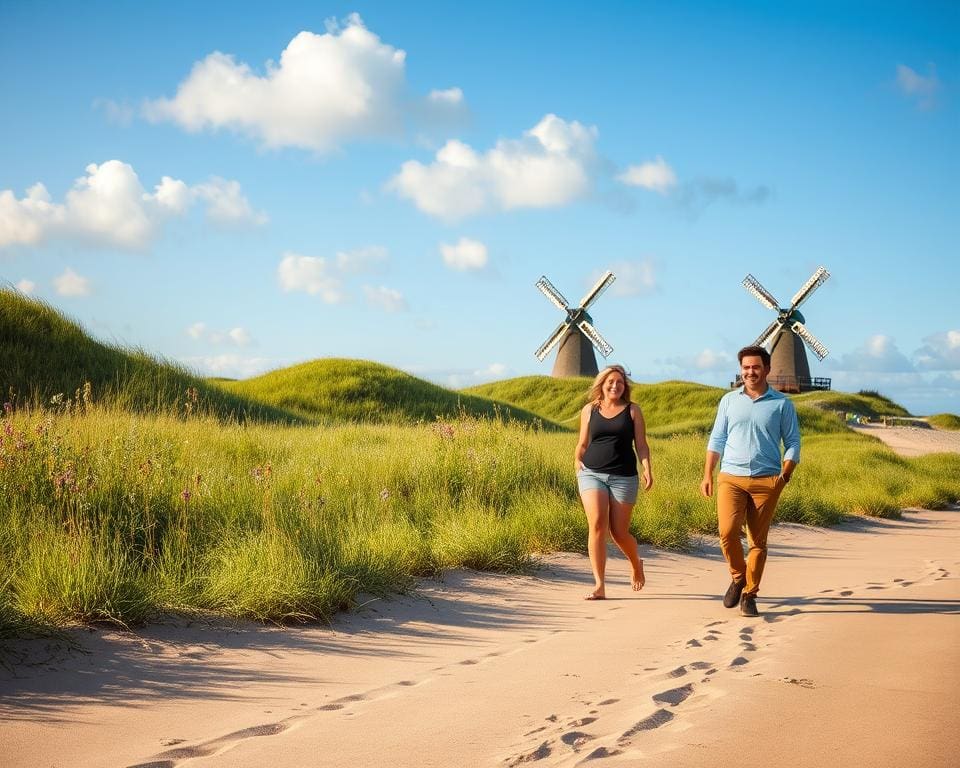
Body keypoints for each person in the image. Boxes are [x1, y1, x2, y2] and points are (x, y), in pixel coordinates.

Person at [700, 345, 801, 617]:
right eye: (746, 368)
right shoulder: (729, 401)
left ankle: (749, 594)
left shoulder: (782, 404)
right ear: (740, 370)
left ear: (767, 369)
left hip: (767, 479)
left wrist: (785, 475)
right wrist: (707, 473)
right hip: (730, 477)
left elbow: (792, 442)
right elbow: (717, 439)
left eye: (756, 367)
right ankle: (738, 576)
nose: (750, 372)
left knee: (757, 542)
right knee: (727, 532)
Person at [575, 364, 653, 600]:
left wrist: (647, 468)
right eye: (610, 381)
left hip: (624, 476)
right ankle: (599, 584)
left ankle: (636, 563)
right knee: (597, 524)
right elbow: (582, 442)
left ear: (624, 386)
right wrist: (577, 460)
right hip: (591, 473)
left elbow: (641, 444)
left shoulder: (632, 411)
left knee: (619, 532)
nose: (615, 386)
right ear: (602, 384)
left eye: (619, 382)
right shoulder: (589, 410)